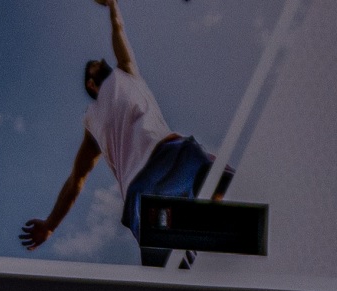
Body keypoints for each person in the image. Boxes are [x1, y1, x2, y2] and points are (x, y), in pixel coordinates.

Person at [20, 0, 216, 269]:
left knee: (205, 168)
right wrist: (50, 225)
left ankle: (217, 208)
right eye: (93, 66)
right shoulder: (91, 121)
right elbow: (76, 181)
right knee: (170, 245)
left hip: (164, 162)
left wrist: (112, 4)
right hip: (152, 178)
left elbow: (118, 29)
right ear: (91, 84)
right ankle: (177, 261)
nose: (100, 61)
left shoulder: (127, 72)